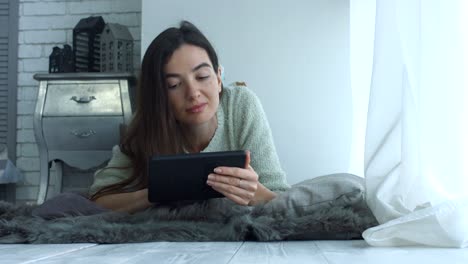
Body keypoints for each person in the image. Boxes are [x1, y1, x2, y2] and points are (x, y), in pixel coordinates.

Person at [89, 21, 289, 213]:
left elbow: (280, 198)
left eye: (202, 77)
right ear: (159, 96)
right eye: (174, 85)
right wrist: (158, 193)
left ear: (219, 78)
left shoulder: (241, 105)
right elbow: (100, 198)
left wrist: (255, 193)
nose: (193, 93)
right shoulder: (146, 124)